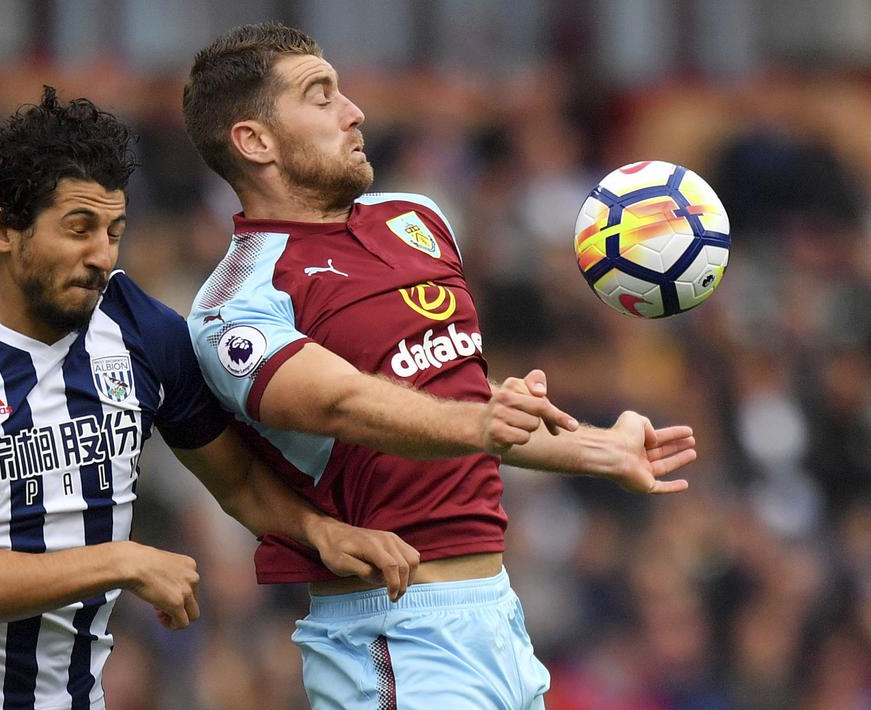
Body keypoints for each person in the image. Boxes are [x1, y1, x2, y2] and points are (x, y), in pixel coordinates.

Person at [0, 87, 420, 710]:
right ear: (3, 229)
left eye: (114, 231)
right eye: (79, 229)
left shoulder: (142, 331)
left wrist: (321, 531)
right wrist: (121, 561)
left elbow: (240, 484)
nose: (101, 255)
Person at [182, 23, 698, 709]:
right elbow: (342, 403)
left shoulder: (415, 218)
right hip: (394, 633)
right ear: (255, 142)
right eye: (320, 97)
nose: (353, 112)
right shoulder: (237, 301)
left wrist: (597, 449)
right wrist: (482, 421)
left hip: (500, 618)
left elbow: (454, 398)